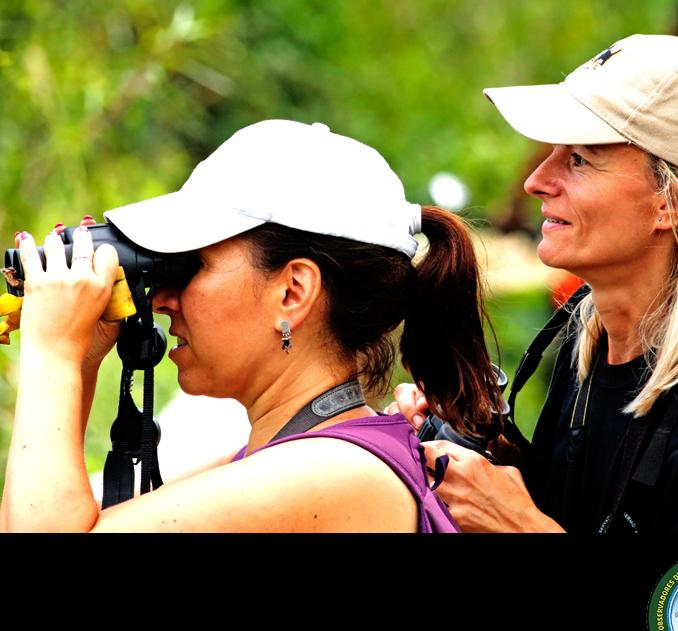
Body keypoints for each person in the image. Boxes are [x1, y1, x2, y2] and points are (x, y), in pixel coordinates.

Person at [0, 119, 503, 533]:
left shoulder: (331, 472)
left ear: (293, 291)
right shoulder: (287, 456)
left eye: (190, 266)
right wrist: (84, 355)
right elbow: (64, 514)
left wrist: (53, 353)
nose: (164, 300)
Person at [392, 34, 678, 534]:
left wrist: (518, 526)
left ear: (673, 201)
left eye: (580, 159)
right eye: (554, 151)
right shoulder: (592, 342)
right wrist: (485, 455)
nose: (536, 181)